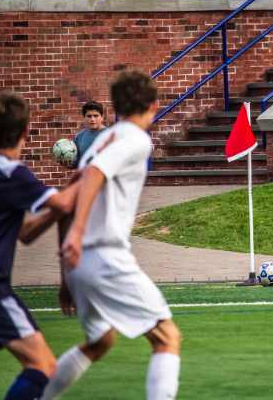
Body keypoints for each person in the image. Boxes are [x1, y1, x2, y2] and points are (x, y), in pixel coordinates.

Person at [41, 71, 182, 400]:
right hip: (105, 256)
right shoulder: (135, 138)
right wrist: (76, 235)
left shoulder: (101, 140)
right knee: (167, 338)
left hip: (80, 263)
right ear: (154, 104)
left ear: (114, 108)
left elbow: (69, 197)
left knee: (100, 342)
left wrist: (66, 277)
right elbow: (93, 175)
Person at [0, 93, 81, 399]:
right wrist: (85, 179)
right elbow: (64, 203)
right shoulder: (12, 172)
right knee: (43, 364)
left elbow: (24, 232)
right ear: (27, 131)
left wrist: (60, 204)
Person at [56, 101, 108, 170]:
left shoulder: (110, 135)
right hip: (85, 178)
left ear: (102, 117)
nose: (92, 119)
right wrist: (69, 163)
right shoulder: (79, 136)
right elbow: (77, 161)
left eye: (96, 116)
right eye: (89, 116)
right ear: (84, 117)